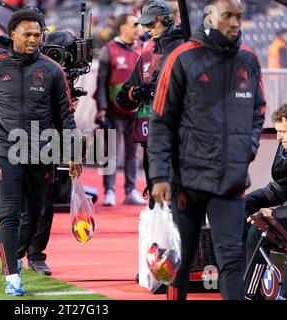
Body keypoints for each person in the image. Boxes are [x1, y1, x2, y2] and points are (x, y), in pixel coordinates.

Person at [0, 8, 81, 296]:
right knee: (8, 212)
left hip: (41, 153)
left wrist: (72, 152)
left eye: (38, 34)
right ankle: (11, 278)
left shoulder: (52, 70)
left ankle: (15, 257)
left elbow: (65, 117)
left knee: (33, 216)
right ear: (13, 35)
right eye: (28, 34)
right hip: (4, 152)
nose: (34, 39)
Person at [148, 0, 266, 300]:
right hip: (187, 179)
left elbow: (258, 111)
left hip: (231, 180)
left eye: (239, 16)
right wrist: (160, 176)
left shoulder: (249, 60)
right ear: (210, 18)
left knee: (231, 259)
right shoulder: (182, 58)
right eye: (228, 16)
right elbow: (161, 121)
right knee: (182, 259)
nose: (235, 22)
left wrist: (246, 150)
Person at [115, 0, 184, 209]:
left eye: (151, 24)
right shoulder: (147, 55)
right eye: (144, 24)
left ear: (167, 20)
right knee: (157, 205)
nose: (146, 29)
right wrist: (136, 92)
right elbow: (122, 99)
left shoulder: (185, 50)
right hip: (152, 142)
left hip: (181, 142)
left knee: (179, 206)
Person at [95, 13, 146, 207]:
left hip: (135, 112)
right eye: (134, 24)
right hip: (113, 112)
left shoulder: (141, 51)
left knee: (133, 154)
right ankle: (109, 191)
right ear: (122, 27)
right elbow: (101, 83)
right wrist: (102, 108)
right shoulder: (109, 50)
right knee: (111, 153)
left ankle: (131, 191)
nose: (138, 28)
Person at [243, 103, 287, 299]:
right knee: (241, 208)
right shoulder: (284, 146)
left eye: (283, 132)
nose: (278, 137)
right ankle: (243, 277)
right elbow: (280, 186)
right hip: (281, 197)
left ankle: (250, 293)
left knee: (258, 231)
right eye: (278, 131)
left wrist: (274, 214)